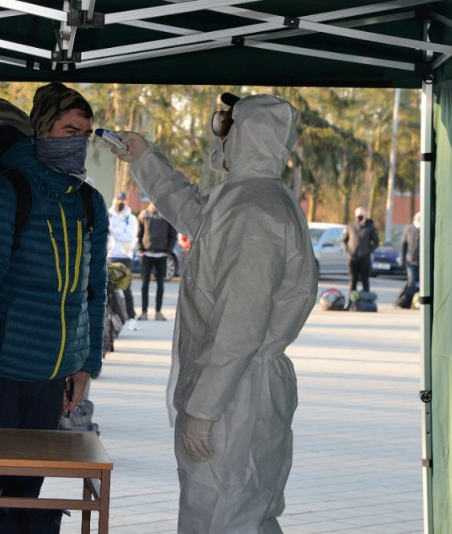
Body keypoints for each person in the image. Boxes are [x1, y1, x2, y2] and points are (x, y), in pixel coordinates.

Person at [109, 93, 318, 533]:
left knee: (223, 514)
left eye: (227, 130)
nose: (220, 140)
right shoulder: (248, 198)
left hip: (235, 396)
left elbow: (241, 319)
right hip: (237, 389)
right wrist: (144, 158)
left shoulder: (255, 211)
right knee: (241, 512)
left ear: (245, 137)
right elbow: (192, 212)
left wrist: (204, 409)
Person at [0, 82, 108, 498]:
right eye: (68, 131)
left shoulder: (89, 202)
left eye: (84, 134)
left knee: (27, 497)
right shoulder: (4, 192)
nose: (78, 143)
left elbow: (95, 289)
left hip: (53, 380)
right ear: (41, 130)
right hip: (1, 376)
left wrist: (86, 365)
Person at [137, 203, 176, 321]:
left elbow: (172, 235)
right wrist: (140, 249)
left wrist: (167, 251)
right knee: (144, 285)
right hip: (146, 255)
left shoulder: (167, 214)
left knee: (160, 285)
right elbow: (139, 233)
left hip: (161, 255)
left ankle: (158, 312)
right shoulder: (144, 214)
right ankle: (144, 312)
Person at [107, 191, 138, 330]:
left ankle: (132, 318)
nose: (120, 202)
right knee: (109, 290)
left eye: (122, 200)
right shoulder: (108, 215)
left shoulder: (130, 218)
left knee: (126, 289)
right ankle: (111, 317)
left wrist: (114, 232)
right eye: (118, 199)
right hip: (110, 256)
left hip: (124, 257)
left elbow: (129, 236)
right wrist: (118, 233)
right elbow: (106, 233)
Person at [342, 205, 379, 307]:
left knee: (365, 281)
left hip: (365, 259)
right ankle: (351, 303)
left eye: (361, 215)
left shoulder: (370, 227)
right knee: (352, 281)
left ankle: (367, 304)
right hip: (353, 259)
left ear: (365, 215)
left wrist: (367, 251)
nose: (359, 217)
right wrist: (348, 250)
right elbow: (344, 241)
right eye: (358, 215)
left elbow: (376, 242)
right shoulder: (351, 226)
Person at [400, 211, 421, 288]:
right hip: (411, 262)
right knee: (412, 283)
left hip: (422, 263)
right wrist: (402, 261)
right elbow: (403, 245)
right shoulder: (409, 230)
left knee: (421, 284)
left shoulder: (425, 230)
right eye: (418, 219)